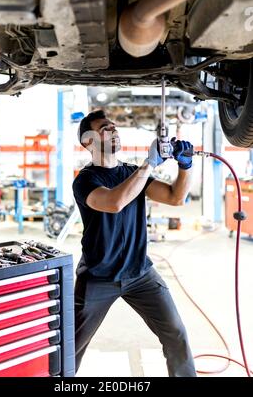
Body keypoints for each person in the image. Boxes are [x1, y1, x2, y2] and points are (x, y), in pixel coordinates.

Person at [72, 109, 196, 377]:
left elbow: (176, 198)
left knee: (176, 332)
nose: (113, 130)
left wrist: (185, 167)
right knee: (70, 347)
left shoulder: (132, 172)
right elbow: (114, 202)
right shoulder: (85, 181)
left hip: (140, 273)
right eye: (105, 128)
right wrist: (148, 164)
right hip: (98, 277)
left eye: (114, 127)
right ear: (88, 141)